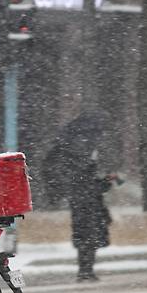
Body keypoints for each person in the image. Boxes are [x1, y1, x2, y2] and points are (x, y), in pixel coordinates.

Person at [43, 112, 116, 282]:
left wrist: (103, 181)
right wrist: (103, 183)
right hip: (86, 202)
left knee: (87, 237)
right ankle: (85, 271)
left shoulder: (78, 154)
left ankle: (86, 270)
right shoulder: (78, 155)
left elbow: (86, 181)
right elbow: (85, 183)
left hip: (84, 202)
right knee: (88, 237)